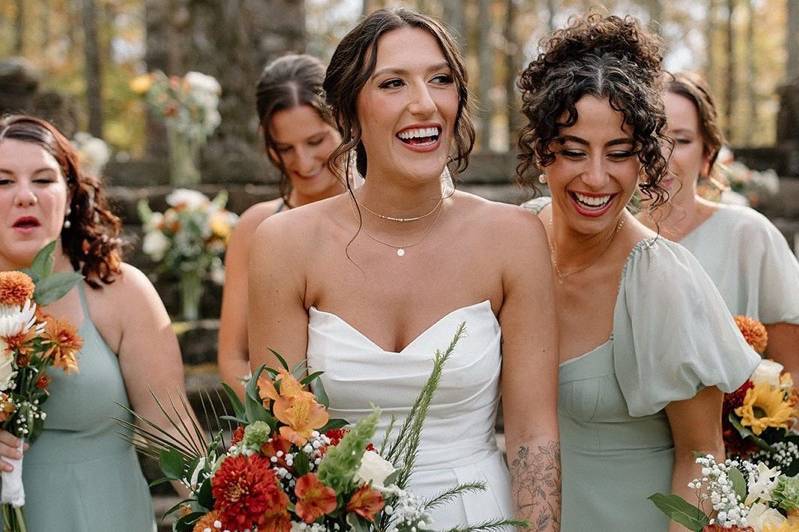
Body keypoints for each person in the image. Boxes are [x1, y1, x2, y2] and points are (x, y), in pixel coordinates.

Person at [248, 8, 560, 530]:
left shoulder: (515, 239)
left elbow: (533, 433)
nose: (425, 103)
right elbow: (280, 437)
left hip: (478, 513)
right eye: (393, 83)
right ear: (348, 114)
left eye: (441, 79)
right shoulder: (284, 244)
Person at [517, 15, 759, 531]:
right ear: (543, 152)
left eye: (620, 154)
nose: (597, 178)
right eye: (574, 151)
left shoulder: (659, 280)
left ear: (645, 160)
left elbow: (702, 454)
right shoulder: (514, 241)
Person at [0, 115, 194, 531]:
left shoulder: (119, 290)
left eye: (43, 180)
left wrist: (227, 507)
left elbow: (171, 424)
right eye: (3, 182)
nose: (25, 197)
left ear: (70, 194)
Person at [637, 71, 799, 375]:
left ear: (707, 155)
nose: (661, 155)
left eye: (681, 140)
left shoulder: (750, 236)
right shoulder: (608, 242)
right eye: (649, 137)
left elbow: (794, 375)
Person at [218, 54, 347, 398]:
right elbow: (233, 358)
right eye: (284, 148)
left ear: (346, 122)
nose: (302, 162)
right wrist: (286, 423)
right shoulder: (255, 227)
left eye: (316, 141)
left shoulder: (380, 214)